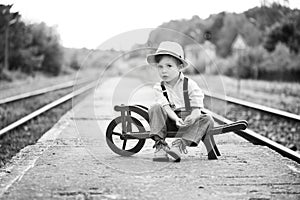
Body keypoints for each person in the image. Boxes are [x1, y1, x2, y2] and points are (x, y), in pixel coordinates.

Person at [146, 41, 214, 162]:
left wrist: (192, 118)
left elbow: (196, 110)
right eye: (160, 67)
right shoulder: (159, 87)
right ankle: (160, 145)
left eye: (169, 66)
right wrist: (176, 119)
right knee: (155, 107)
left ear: (180, 67)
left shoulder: (190, 85)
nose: (163, 71)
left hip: (187, 124)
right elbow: (165, 107)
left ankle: (179, 145)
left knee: (207, 119)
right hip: (168, 122)